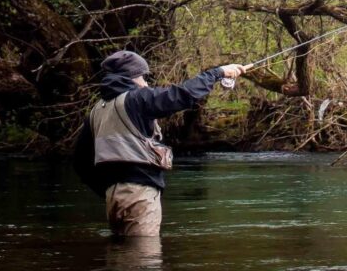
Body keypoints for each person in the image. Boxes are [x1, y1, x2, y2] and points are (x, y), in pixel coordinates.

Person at [74, 50, 250, 237]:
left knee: (121, 257)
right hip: (139, 195)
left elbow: (80, 163)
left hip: (113, 197)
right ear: (133, 77)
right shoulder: (137, 99)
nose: (146, 83)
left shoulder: (96, 111)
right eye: (143, 77)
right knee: (144, 259)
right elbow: (182, 95)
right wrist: (218, 73)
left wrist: (110, 189)